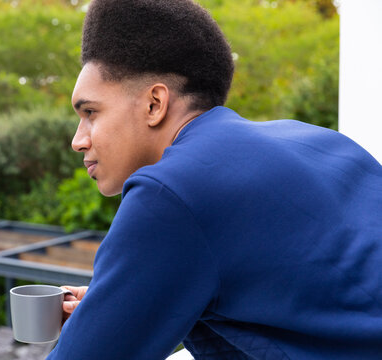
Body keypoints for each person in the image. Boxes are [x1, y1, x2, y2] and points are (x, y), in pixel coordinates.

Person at [47, 0, 382, 359]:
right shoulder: (320, 142)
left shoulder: (168, 194)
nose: (78, 139)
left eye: (91, 113)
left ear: (154, 104)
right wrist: (118, 310)